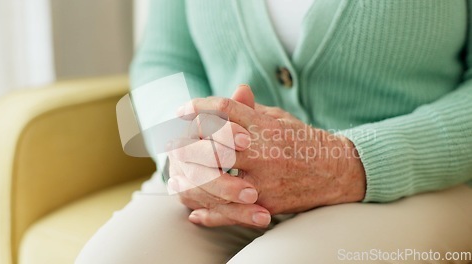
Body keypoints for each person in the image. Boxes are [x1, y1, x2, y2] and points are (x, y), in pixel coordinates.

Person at [76, 0, 472, 263]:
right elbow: (164, 57)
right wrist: (187, 154)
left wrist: (350, 163)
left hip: (427, 180)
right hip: (228, 179)